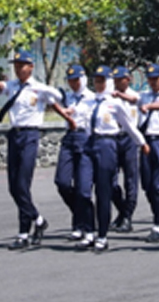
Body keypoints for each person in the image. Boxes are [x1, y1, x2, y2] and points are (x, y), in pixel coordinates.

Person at [0, 50, 65, 250]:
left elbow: (58, 97)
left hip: (30, 136)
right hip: (14, 135)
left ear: (31, 66)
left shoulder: (39, 88)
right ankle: (38, 220)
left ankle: (24, 232)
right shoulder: (13, 86)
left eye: (22, 65)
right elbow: (0, 86)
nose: (18, 69)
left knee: (22, 185)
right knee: (13, 186)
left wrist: (63, 105)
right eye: (16, 66)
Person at [84, 65, 150, 252]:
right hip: (91, 144)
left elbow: (130, 125)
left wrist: (142, 143)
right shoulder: (90, 101)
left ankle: (110, 228)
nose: (99, 84)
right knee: (87, 186)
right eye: (96, 80)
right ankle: (90, 228)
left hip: (114, 142)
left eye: (102, 81)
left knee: (116, 184)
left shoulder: (117, 101)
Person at [56, 65, 96, 241]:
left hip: (85, 137)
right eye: (70, 81)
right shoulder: (67, 97)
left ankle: (84, 225)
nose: (73, 84)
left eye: (76, 80)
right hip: (69, 138)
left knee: (83, 187)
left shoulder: (92, 98)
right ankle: (80, 214)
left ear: (83, 79)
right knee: (62, 182)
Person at [136, 64, 159, 243]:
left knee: (158, 184)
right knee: (147, 185)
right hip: (146, 141)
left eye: (155, 78)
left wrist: (150, 106)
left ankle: (158, 223)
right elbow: (132, 99)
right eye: (150, 79)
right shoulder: (143, 95)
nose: (152, 82)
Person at [109, 65, 141, 233]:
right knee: (110, 180)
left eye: (119, 79)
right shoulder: (110, 97)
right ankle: (122, 211)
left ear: (127, 80)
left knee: (130, 180)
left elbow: (135, 105)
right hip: (114, 138)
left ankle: (128, 216)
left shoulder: (134, 96)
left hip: (128, 139)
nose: (116, 83)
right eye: (114, 80)